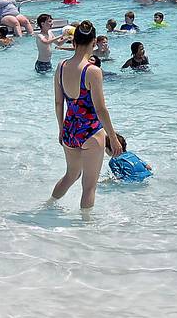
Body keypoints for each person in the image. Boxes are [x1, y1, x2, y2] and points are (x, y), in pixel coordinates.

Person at [52, 21, 124, 211]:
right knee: (89, 185)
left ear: (74, 42)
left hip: (69, 130)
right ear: (93, 42)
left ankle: (49, 206)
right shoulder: (92, 71)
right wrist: (114, 138)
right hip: (91, 132)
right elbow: (100, 110)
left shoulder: (61, 66)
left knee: (71, 175)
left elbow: (59, 102)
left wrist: (61, 129)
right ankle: (86, 230)